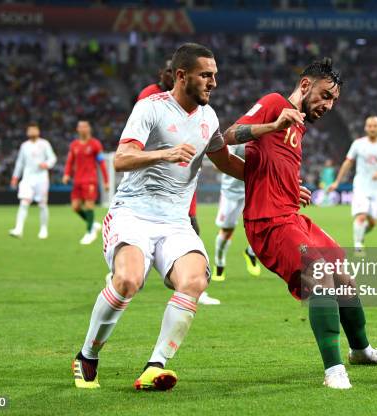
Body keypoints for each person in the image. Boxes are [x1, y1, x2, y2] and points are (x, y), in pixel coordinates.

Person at [72, 43, 244, 391]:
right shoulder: (150, 108)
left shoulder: (209, 118)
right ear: (182, 76)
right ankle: (87, 355)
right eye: (206, 75)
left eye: (215, 76)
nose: (213, 82)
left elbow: (225, 161)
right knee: (127, 281)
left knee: (194, 280)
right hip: (133, 213)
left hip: (175, 221)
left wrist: (277, 181)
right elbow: (121, 158)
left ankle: (155, 366)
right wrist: (164, 155)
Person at [224, 58, 377, 390]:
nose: (329, 106)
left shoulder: (298, 125)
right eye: (325, 96)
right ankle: (333, 370)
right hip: (268, 223)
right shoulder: (275, 104)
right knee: (318, 274)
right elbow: (229, 135)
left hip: (291, 215)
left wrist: (291, 186)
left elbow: (272, 163)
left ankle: (361, 350)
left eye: (333, 101)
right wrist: (272, 125)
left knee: (343, 272)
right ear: (305, 86)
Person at [136, 59, 218, 305]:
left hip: (181, 185)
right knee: (137, 255)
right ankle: (126, 276)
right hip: (151, 189)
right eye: (169, 72)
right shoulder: (150, 99)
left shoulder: (199, 110)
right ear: (167, 74)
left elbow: (217, 150)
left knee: (193, 230)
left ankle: (194, 288)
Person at [137, 59, 201, 240]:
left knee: (191, 229)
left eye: (176, 72)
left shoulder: (186, 97)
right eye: (168, 71)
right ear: (161, 74)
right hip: (157, 167)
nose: (172, 76)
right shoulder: (149, 95)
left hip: (182, 167)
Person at [328, 116, 377, 251]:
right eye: (369, 126)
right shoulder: (358, 144)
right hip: (361, 186)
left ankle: (361, 233)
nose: (372, 128)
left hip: (376, 188)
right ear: (365, 128)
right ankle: (358, 245)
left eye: (375, 126)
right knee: (361, 215)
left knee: (373, 222)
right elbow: (347, 162)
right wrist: (337, 181)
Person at [212, 143, 261, 282]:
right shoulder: (234, 140)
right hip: (231, 194)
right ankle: (219, 264)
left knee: (262, 226)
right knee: (227, 231)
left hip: (252, 190)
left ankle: (251, 253)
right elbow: (218, 164)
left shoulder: (263, 138)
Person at [62, 120, 109, 245]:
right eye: (80, 127)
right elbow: (70, 161)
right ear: (77, 129)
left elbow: (102, 163)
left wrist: (106, 181)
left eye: (85, 126)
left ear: (89, 129)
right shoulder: (74, 145)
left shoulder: (95, 144)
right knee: (75, 207)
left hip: (90, 180)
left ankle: (90, 233)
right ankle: (92, 224)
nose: (82, 129)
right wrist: (66, 174)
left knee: (89, 206)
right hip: (77, 180)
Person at [9, 123, 56, 239]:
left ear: (38, 131)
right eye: (30, 130)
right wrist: (15, 176)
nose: (32, 132)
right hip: (27, 178)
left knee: (42, 204)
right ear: (27, 132)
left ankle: (43, 229)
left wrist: (46, 164)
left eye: (34, 129)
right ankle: (18, 229)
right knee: (24, 202)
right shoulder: (24, 146)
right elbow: (20, 162)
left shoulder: (44, 144)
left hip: (41, 178)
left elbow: (53, 158)